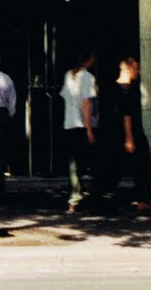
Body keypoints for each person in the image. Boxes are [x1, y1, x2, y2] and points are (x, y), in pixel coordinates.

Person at [108, 57, 151, 211]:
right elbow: (127, 114)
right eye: (136, 68)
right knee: (145, 166)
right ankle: (143, 200)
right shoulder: (127, 89)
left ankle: (101, 195)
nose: (138, 72)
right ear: (129, 69)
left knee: (117, 167)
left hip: (118, 133)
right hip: (132, 133)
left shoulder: (114, 88)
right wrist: (129, 138)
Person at [59, 52, 98, 211]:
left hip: (69, 123)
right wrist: (89, 129)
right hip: (82, 125)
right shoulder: (88, 77)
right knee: (90, 161)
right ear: (89, 60)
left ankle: (74, 197)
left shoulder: (69, 75)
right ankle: (86, 196)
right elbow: (86, 103)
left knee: (74, 163)